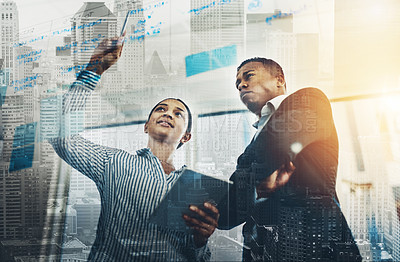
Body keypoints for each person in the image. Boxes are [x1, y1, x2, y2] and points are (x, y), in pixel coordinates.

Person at [49, 36, 219, 261]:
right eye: (161, 109)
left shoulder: (194, 189)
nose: (168, 113)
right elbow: (63, 138)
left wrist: (201, 240)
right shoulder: (114, 162)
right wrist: (94, 69)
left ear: (186, 137)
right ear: (146, 126)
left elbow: (196, 255)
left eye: (178, 114)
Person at [218, 57, 361, 261]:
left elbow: (275, 150)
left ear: (279, 80)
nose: (241, 84)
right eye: (237, 83)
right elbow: (225, 215)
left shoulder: (309, 100)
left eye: (248, 76)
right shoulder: (258, 137)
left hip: (315, 248)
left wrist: (244, 172)